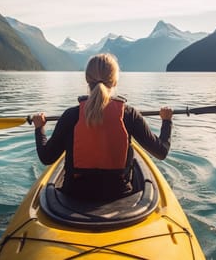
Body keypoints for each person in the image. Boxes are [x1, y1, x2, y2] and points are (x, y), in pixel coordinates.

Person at [32, 53, 173, 201]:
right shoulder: (130, 115)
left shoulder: (70, 116)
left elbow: (46, 157)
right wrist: (166, 121)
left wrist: (39, 128)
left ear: (87, 80)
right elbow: (161, 152)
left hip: (74, 196)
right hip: (119, 196)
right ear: (115, 82)